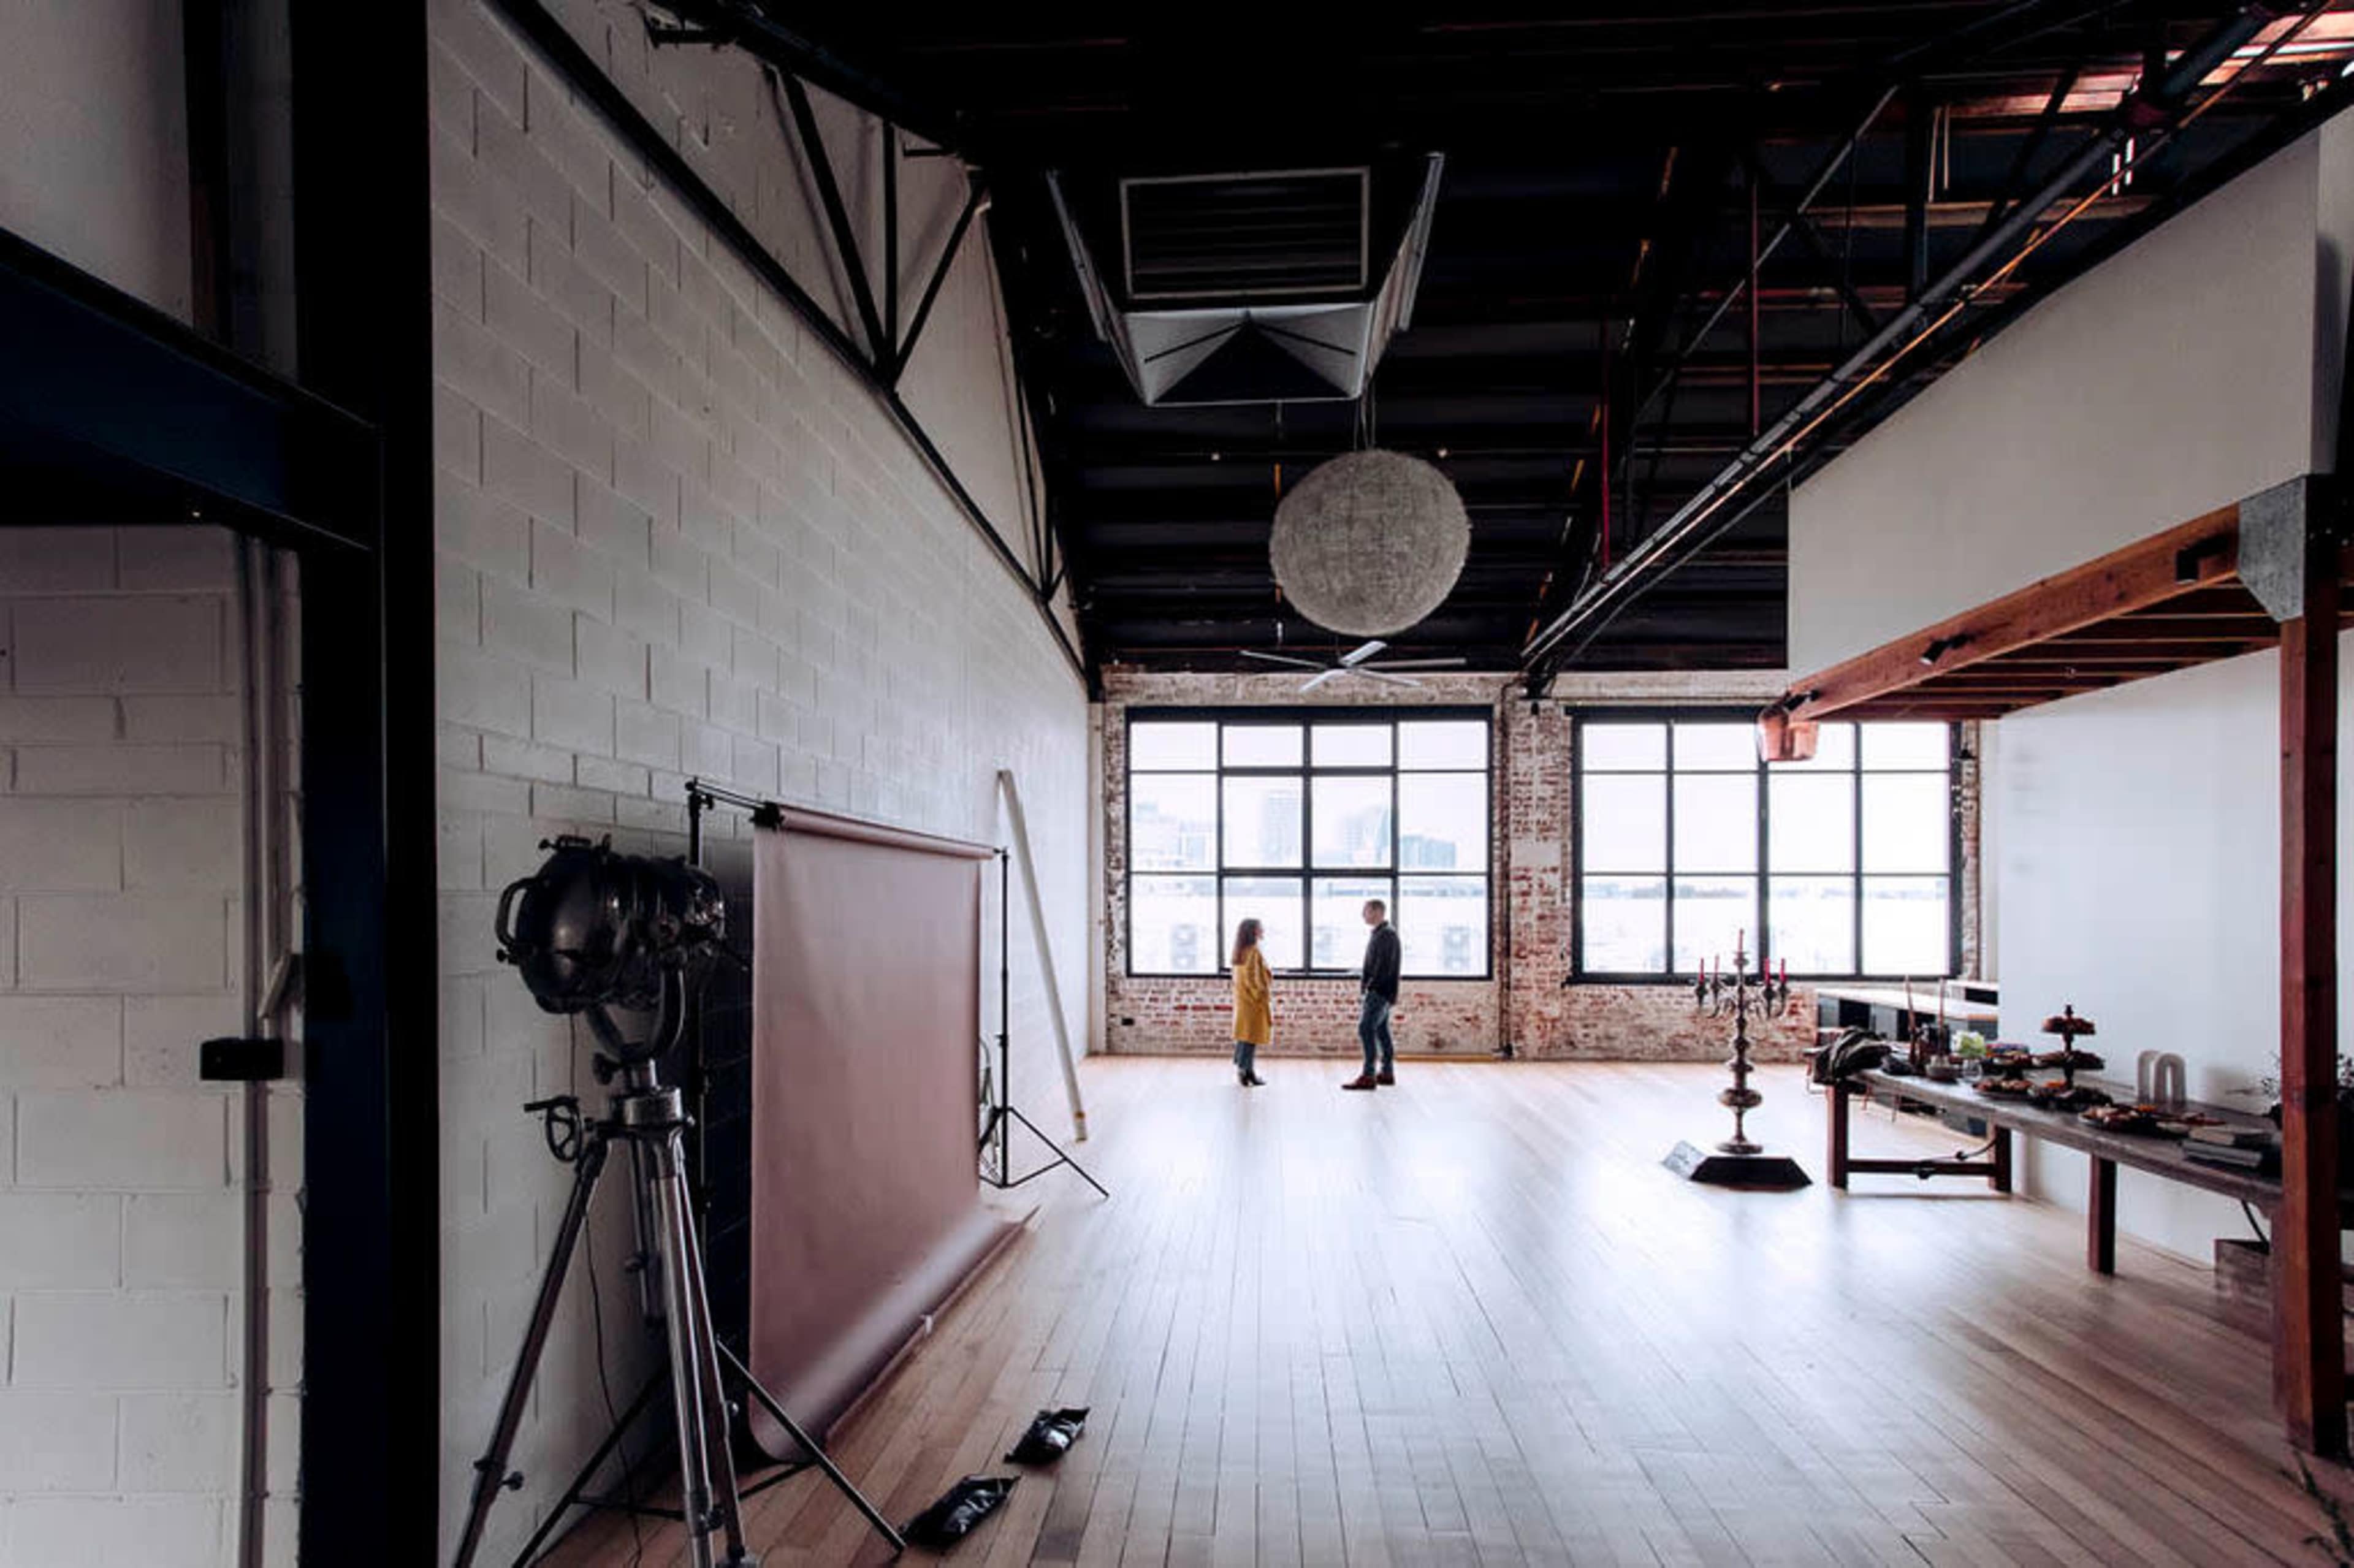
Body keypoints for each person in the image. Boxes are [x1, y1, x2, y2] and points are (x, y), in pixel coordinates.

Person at [1342, 899, 1400, 1091]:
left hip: (1379, 991)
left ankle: (1369, 1075)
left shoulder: (1386, 935)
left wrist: (1371, 987)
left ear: (1377, 912)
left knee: (1366, 1029)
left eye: (1366, 911)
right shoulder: (1382, 933)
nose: (1363, 915)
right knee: (1381, 1031)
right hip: (1382, 991)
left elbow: (1384, 967)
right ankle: (1387, 1072)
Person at [1230, 918, 1271, 1087]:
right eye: (1261, 928)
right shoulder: (1254, 951)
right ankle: (1248, 1072)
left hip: (1243, 1000)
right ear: (1254, 932)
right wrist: (1260, 995)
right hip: (1253, 1002)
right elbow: (1254, 978)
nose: (1263, 931)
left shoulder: (1240, 951)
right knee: (1250, 1038)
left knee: (1244, 1037)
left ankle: (1242, 1069)